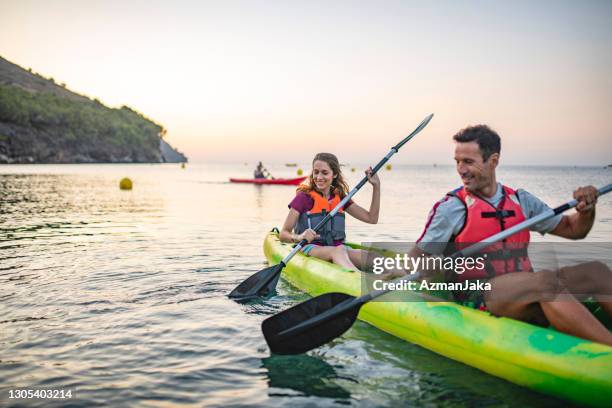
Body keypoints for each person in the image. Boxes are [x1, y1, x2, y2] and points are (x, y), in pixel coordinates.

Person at [407, 124, 612, 346]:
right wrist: (433, 267)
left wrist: (587, 210)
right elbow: (415, 260)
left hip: (527, 289)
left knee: (596, 272)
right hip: (479, 295)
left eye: (468, 161)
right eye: (457, 161)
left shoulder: (521, 201)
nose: (460, 169)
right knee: (545, 281)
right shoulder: (451, 208)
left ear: (493, 161)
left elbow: (574, 230)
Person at [279, 152, 380, 271]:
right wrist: (300, 237)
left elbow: (371, 219)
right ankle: (359, 280)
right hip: (310, 248)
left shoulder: (341, 198)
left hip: (338, 248)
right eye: (316, 172)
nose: (319, 177)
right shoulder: (304, 198)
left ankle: (403, 276)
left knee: (372, 258)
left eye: (324, 172)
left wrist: (376, 186)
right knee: (338, 251)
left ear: (335, 174)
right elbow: (283, 234)